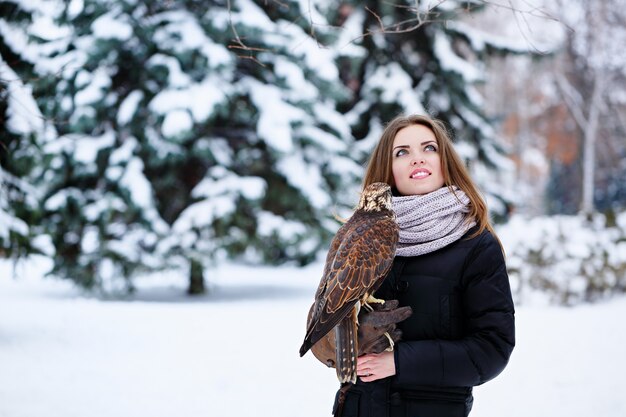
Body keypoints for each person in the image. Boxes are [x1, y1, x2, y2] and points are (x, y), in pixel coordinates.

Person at [332, 114, 515, 417]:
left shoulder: (477, 245)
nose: (417, 159)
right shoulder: (361, 238)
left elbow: (492, 348)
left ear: (446, 161)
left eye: (429, 148)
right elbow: (326, 321)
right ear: (387, 170)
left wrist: (398, 361)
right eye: (401, 152)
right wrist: (342, 337)